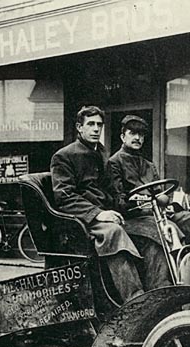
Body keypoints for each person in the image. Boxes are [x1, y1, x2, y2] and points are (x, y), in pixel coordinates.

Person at [50, 106, 145, 303]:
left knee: (149, 229)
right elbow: (64, 197)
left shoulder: (101, 154)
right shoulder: (64, 156)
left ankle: (156, 292)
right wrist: (98, 214)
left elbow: (111, 191)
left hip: (104, 215)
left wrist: (131, 206)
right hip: (80, 222)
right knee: (114, 233)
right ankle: (135, 302)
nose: (96, 129)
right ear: (79, 127)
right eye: (90, 124)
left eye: (99, 125)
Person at [107, 114, 190, 289]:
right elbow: (119, 202)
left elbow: (161, 194)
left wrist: (165, 202)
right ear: (122, 136)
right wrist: (145, 202)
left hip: (157, 215)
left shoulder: (149, 165)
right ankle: (162, 288)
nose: (138, 138)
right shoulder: (114, 163)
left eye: (141, 135)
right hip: (133, 220)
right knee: (160, 235)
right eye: (132, 133)